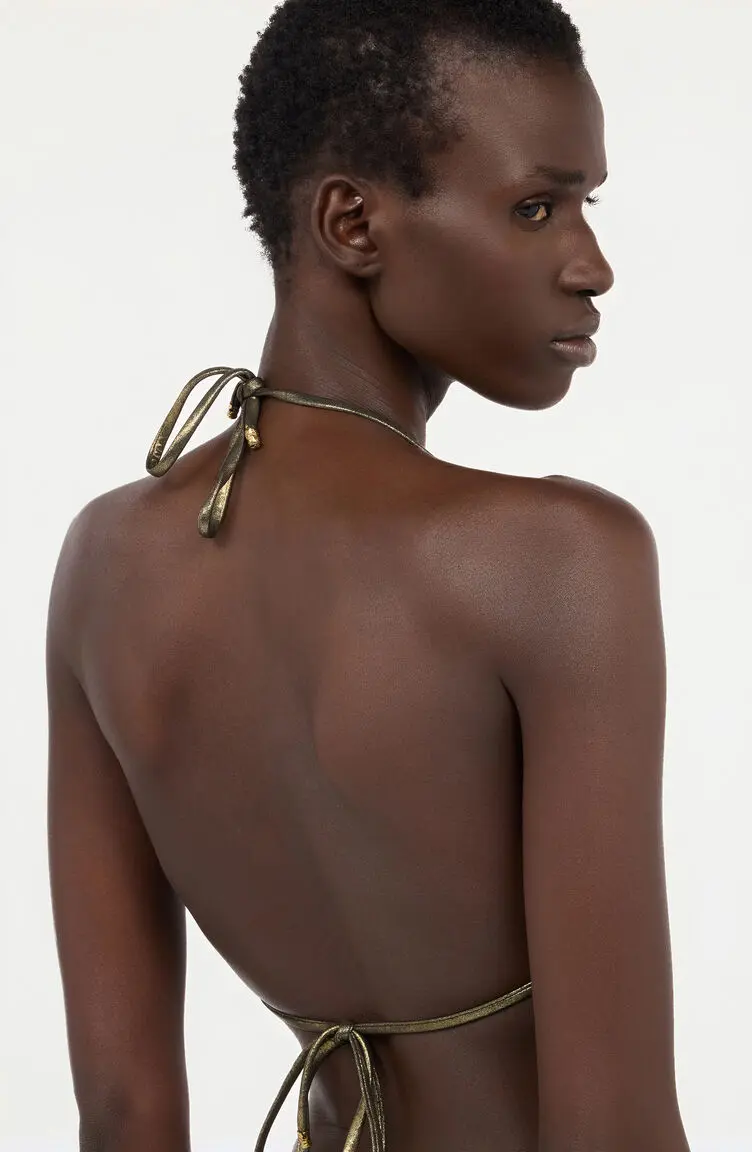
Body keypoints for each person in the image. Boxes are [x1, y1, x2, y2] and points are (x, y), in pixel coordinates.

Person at [45, 1, 692, 1151]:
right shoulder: (556, 561)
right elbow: (615, 1129)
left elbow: (124, 1114)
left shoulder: (104, 566)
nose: (593, 267)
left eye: (587, 206)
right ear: (353, 222)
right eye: (536, 208)